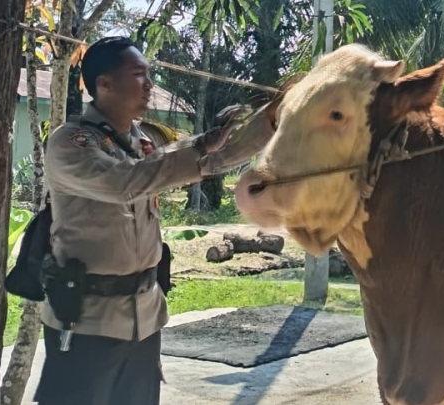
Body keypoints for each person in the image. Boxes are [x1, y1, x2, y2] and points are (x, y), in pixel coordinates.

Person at [32, 36, 273, 405]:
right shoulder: (72, 142)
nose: (149, 85)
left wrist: (269, 125)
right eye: (139, 75)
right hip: (87, 319)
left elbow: (197, 164)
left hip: (143, 316)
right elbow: (126, 182)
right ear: (105, 84)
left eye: (150, 75)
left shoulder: (140, 140)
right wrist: (200, 147)